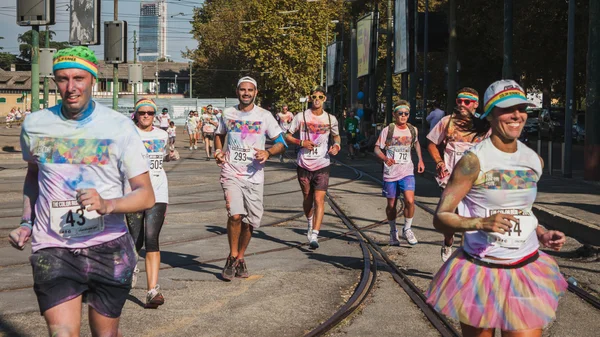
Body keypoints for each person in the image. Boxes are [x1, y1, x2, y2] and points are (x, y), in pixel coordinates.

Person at [8, 46, 155, 336]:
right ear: (55, 82)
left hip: (109, 247)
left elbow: (145, 195)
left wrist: (108, 204)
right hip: (54, 246)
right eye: (62, 79)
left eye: (78, 78)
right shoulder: (35, 125)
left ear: (93, 80)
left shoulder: (120, 127)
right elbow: (33, 174)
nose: (71, 87)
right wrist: (27, 222)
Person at [426, 79, 567, 337]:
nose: (517, 115)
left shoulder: (534, 160)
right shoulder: (473, 161)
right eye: (507, 109)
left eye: (522, 108)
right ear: (490, 116)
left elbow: (523, 210)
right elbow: (440, 218)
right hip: (481, 270)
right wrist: (479, 223)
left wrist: (542, 232)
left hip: (525, 267)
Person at [214, 76, 286, 280]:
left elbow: (281, 142)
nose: (246, 93)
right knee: (235, 215)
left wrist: (268, 153)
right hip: (231, 171)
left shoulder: (264, 116)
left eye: (250, 90)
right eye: (242, 90)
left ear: (256, 93)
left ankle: (240, 257)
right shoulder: (228, 113)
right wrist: (219, 151)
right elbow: (219, 134)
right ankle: (232, 256)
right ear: (237, 91)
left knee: (251, 221)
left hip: (254, 174)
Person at [427, 87, 490, 262]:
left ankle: (466, 255)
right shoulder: (447, 122)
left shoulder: (483, 125)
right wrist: (439, 162)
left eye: (467, 102)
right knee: (452, 215)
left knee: (469, 217)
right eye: (459, 101)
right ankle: (448, 241)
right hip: (450, 177)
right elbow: (432, 144)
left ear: (476, 104)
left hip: (474, 178)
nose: (462, 104)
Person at [125, 98, 169, 309]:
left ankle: (153, 291)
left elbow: (165, 155)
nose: (146, 115)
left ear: (155, 115)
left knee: (152, 239)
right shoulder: (126, 134)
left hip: (158, 193)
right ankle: (132, 267)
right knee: (136, 239)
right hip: (133, 193)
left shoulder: (162, 135)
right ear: (135, 114)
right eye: (141, 112)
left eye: (150, 113)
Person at [285, 86, 341, 249]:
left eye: (320, 97)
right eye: (314, 96)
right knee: (307, 199)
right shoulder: (300, 117)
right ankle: (310, 223)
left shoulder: (331, 119)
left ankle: (315, 234)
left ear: (325, 99)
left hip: (322, 163)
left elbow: (336, 136)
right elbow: (286, 135)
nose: (317, 99)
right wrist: (300, 142)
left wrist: (336, 146)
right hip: (304, 163)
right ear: (310, 98)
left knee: (319, 199)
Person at [374, 100, 425, 246]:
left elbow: (416, 144)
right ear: (394, 114)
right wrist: (385, 158)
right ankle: (392, 231)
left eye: (406, 114)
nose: (403, 116)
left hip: (407, 171)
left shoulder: (413, 130)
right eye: (400, 113)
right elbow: (377, 148)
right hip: (391, 173)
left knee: (410, 201)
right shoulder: (388, 130)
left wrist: (420, 160)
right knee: (391, 205)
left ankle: (407, 229)